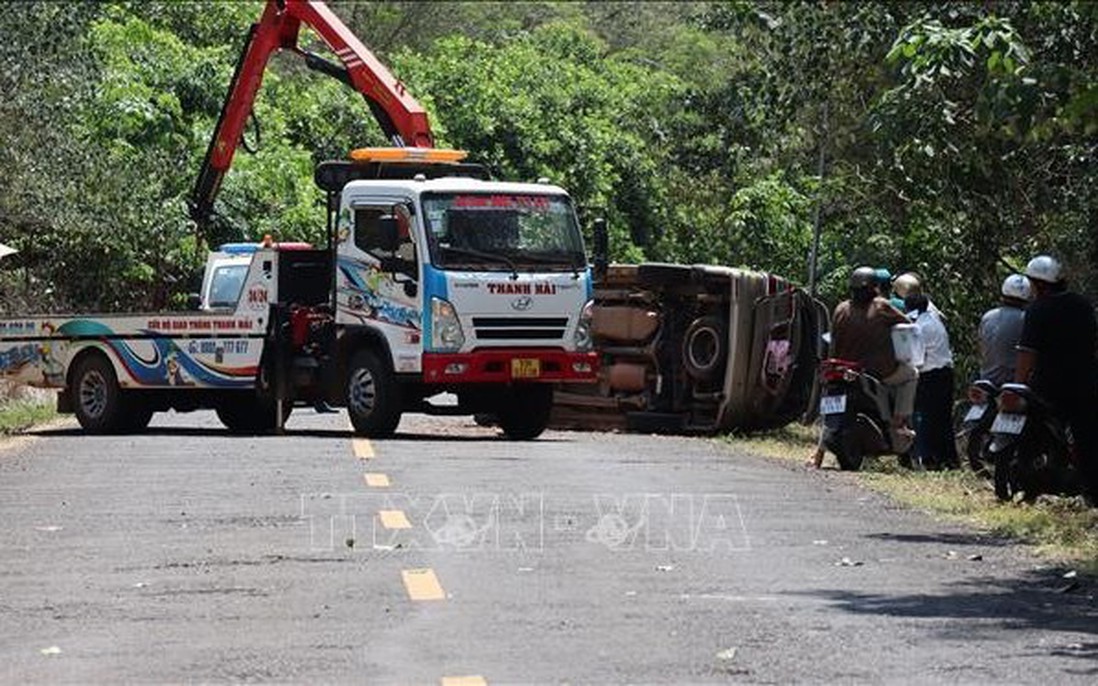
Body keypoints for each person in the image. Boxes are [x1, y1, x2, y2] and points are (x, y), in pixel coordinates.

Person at [1014, 255, 1098, 503]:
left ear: (1038, 284)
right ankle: (1091, 491)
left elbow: (1027, 353)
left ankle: (1029, 484)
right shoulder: (1083, 305)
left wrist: (1019, 384)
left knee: (1032, 432)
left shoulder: (1037, 310)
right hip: (1085, 383)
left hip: (1048, 386)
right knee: (1088, 437)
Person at [830, 266, 917, 445]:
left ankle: (819, 454)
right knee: (912, 374)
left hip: (841, 368)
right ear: (874, 288)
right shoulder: (881, 306)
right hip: (875, 371)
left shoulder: (841, 308)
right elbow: (907, 323)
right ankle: (898, 421)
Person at [906, 291, 959, 469]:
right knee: (942, 419)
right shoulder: (934, 320)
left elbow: (917, 358)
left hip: (930, 376)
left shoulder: (919, 327)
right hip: (945, 373)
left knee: (924, 418)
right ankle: (948, 459)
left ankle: (927, 458)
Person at [977, 274, 1031, 387]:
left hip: (986, 381)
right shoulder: (1027, 320)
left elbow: (982, 348)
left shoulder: (988, 317)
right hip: (1014, 384)